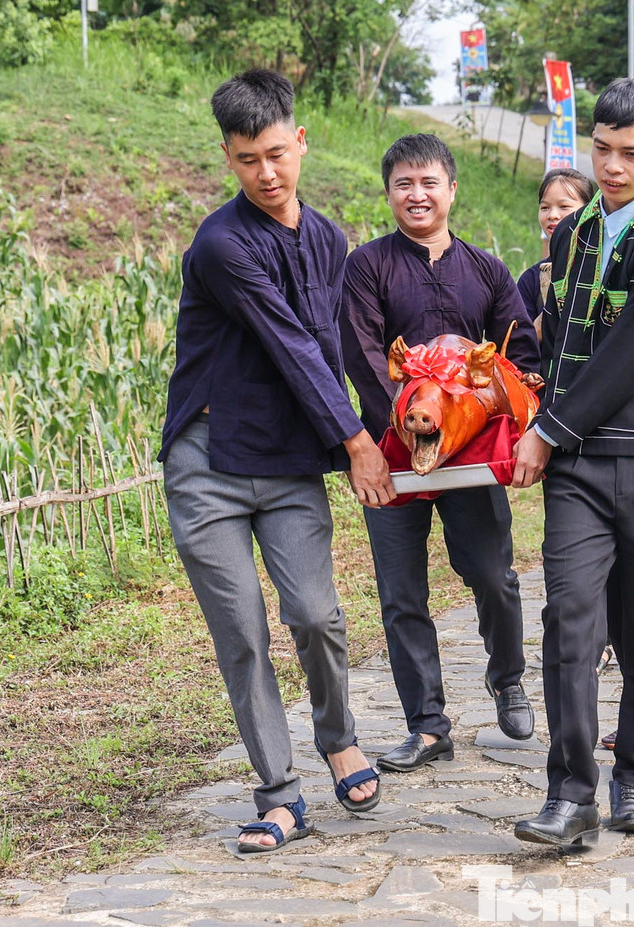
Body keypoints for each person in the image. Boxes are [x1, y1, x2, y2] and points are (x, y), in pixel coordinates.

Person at [159, 69, 388, 853]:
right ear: (229, 159)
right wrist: (355, 442)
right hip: (210, 465)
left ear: (300, 141)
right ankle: (280, 793)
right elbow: (290, 342)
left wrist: (389, 429)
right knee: (245, 634)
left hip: (288, 460)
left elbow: (335, 346)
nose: (266, 172)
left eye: (276, 154)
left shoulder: (328, 238)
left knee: (317, 614)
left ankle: (338, 736)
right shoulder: (221, 245)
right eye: (247, 159)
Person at [511, 77, 634, 846]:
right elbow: (563, 340)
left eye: (631, 153)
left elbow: (631, 352)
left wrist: (546, 429)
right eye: (601, 149)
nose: (613, 166)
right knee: (568, 620)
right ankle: (569, 792)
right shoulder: (571, 236)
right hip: (582, 465)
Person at [339, 134, 542, 774]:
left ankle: (507, 674)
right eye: (404, 183)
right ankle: (427, 725)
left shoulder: (485, 269)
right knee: (401, 594)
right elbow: (363, 356)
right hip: (392, 455)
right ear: (389, 193)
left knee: (491, 573)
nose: (417, 194)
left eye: (429, 182)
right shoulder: (367, 267)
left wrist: (486, 391)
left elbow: (523, 352)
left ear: (452, 189)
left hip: (470, 456)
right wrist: (397, 425)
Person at [517, 168, 596, 326]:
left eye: (564, 206)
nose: (552, 215)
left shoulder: (603, 269)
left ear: (589, 211)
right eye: (545, 208)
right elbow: (519, 341)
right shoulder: (530, 280)